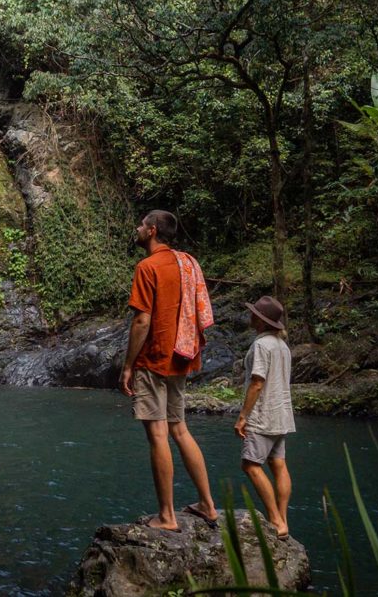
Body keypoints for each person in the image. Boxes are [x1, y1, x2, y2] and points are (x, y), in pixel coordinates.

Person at [120, 210, 218, 531]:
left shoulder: (148, 267)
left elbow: (142, 321)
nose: (136, 228)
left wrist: (128, 365)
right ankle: (207, 504)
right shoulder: (188, 263)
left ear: (151, 231)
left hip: (154, 358)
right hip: (181, 356)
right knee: (180, 429)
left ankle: (167, 516)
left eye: (140, 225)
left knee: (159, 435)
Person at [234, 295, 295, 540]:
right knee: (278, 465)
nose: (250, 317)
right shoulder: (282, 346)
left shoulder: (261, 345)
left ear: (261, 320)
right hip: (281, 414)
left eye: (254, 314)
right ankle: (283, 521)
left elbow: (257, 382)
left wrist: (243, 416)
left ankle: (275, 519)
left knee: (250, 465)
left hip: (263, 415)